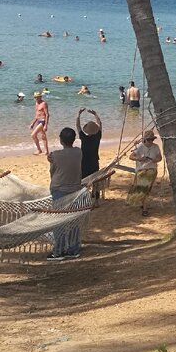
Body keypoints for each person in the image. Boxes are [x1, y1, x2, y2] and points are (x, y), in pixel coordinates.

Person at [48, 127, 83, 260]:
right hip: (75, 190)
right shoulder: (78, 152)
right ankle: (73, 250)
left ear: (61, 140)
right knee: (73, 220)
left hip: (60, 190)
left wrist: (50, 161)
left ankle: (59, 251)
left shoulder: (55, 155)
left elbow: (53, 172)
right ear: (73, 140)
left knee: (59, 221)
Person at [127, 128, 161, 215]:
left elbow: (159, 157)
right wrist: (139, 159)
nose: (151, 141)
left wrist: (155, 160)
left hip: (152, 169)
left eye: (152, 139)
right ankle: (144, 208)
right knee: (143, 188)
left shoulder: (156, 147)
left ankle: (143, 204)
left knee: (146, 188)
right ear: (145, 140)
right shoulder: (140, 146)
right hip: (141, 170)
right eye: (149, 140)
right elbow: (131, 156)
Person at [76, 107, 103, 184]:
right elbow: (100, 124)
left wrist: (79, 115)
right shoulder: (97, 137)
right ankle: (95, 191)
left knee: (83, 181)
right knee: (95, 181)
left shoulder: (84, 138)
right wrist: (95, 114)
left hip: (84, 162)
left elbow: (78, 126)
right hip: (94, 161)